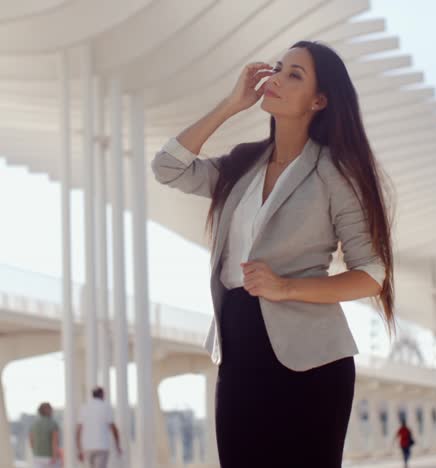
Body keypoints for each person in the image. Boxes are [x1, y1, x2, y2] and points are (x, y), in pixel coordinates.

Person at [151, 40, 395, 467]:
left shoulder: (334, 172)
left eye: (294, 75)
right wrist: (230, 104)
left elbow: (371, 273)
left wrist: (285, 287)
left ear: (319, 101)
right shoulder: (242, 165)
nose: (277, 79)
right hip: (238, 351)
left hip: (312, 361)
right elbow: (168, 167)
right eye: (279, 68)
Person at [76, 387, 122, 468]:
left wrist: (79, 449)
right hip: (102, 445)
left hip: (87, 446)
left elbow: (78, 430)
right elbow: (113, 428)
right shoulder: (106, 407)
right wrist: (118, 445)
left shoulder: (84, 407)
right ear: (102, 394)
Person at [29, 402, 60, 468]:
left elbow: (31, 441)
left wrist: (35, 451)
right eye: (51, 409)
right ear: (47, 410)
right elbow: (54, 441)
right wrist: (55, 456)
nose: (52, 410)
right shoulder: (52, 423)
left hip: (37, 456)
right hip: (49, 457)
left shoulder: (34, 424)